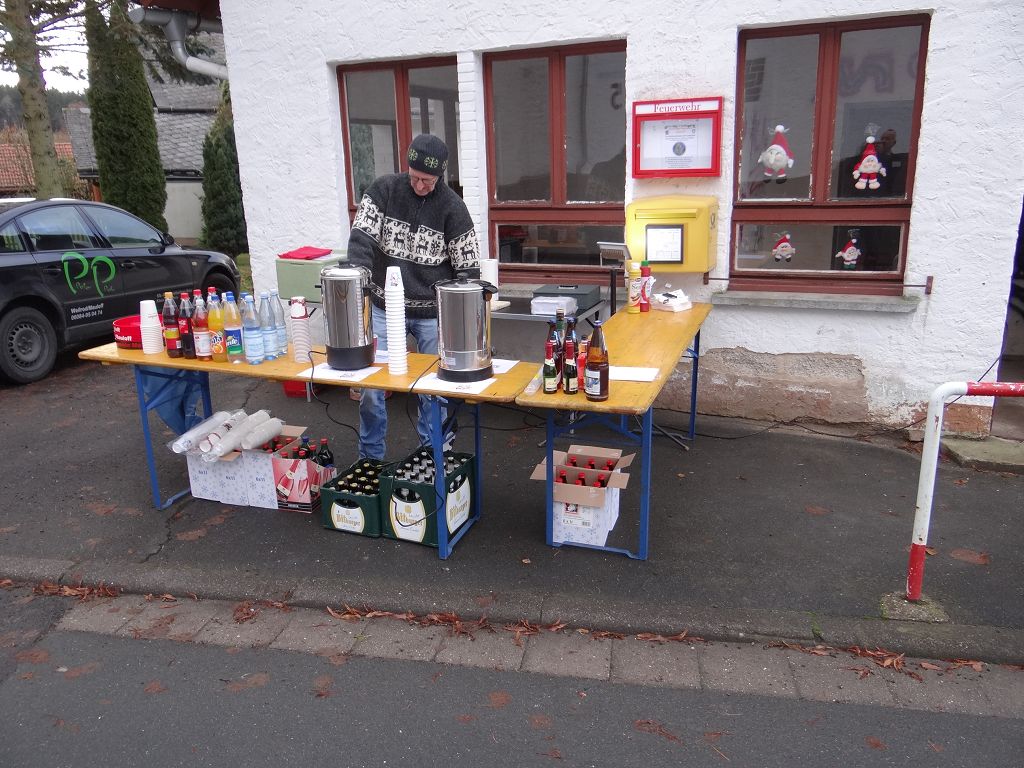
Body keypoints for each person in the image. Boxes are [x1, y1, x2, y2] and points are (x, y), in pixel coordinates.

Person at [347, 134, 480, 459]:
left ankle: (433, 456)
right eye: (415, 177)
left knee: (434, 388)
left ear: (440, 176)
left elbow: (468, 269)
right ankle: (370, 458)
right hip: (383, 304)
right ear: (407, 167)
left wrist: (461, 313)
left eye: (428, 181)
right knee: (371, 386)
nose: (420, 186)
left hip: (431, 311)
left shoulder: (453, 207)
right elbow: (361, 241)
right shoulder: (383, 190)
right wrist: (359, 279)